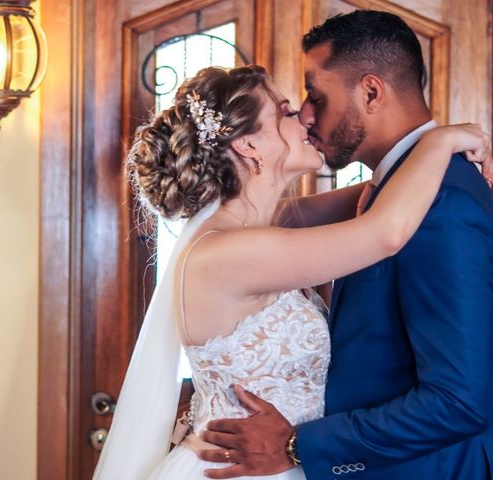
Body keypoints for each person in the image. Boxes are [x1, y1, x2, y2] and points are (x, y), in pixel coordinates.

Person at [91, 63, 491, 480]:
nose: (302, 117)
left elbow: (386, 190)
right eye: (283, 112)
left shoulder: (264, 226)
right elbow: (385, 231)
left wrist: (427, 157)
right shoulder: (227, 253)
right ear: (248, 144)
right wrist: (440, 140)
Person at [198, 10, 493, 480]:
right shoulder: (392, 192)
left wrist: (299, 446)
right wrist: (440, 142)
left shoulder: (442, 201)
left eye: (316, 96)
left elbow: (459, 400)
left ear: (371, 91)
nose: (307, 116)